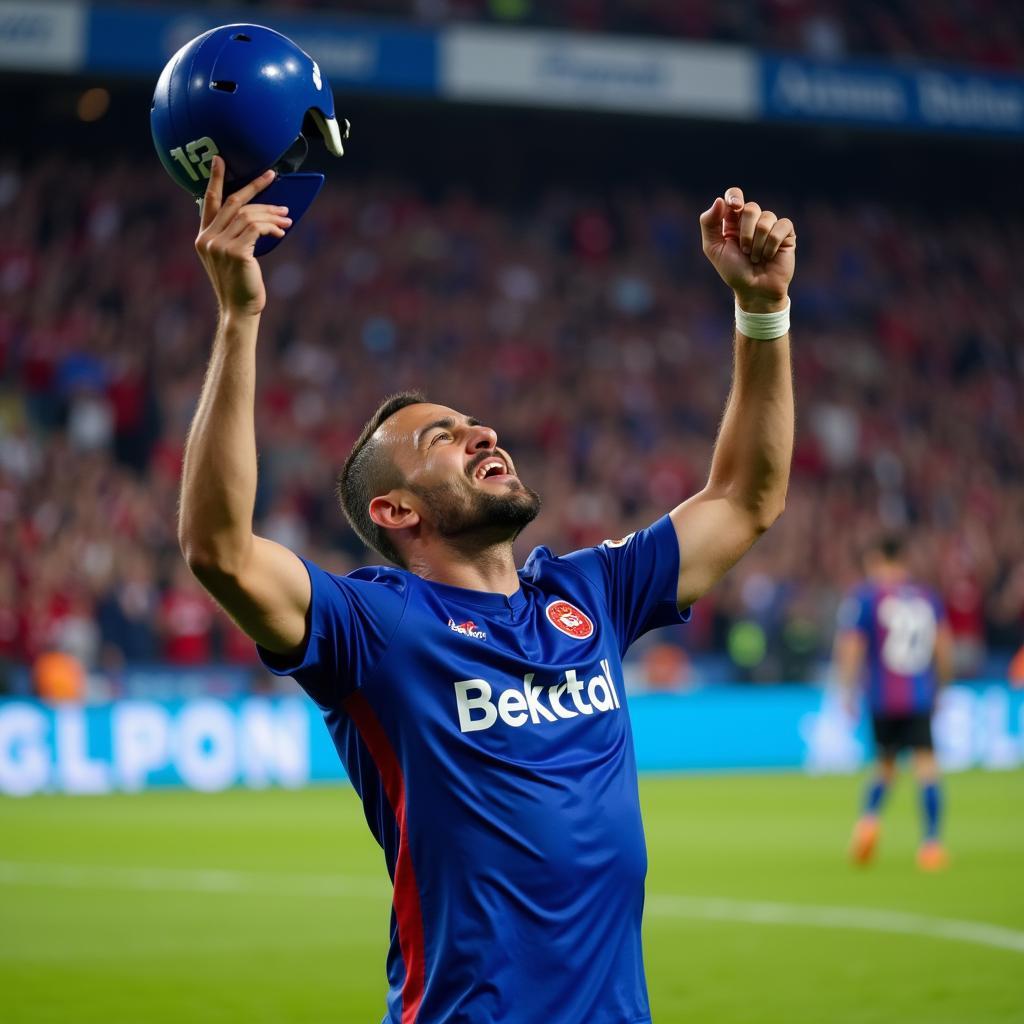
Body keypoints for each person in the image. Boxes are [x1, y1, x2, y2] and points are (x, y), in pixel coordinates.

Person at [178, 156, 795, 1024]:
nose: (481, 431)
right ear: (394, 509)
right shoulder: (379, 626)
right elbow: (219, 550)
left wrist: (763, 311)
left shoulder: (592, 592)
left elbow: (745, 499)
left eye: (475, 423)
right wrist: (240, 316)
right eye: (443, 436)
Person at [835, 534, 954, 871]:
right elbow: (944, 646)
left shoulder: (866, 598)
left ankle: (869, 821)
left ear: (878, 560)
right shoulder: (927, 598)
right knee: (927, 768)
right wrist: (942, 687)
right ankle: (931, 844)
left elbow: (852, 646)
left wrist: (845, 690)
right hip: (918, 695)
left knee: (885, 767)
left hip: (882, 696)